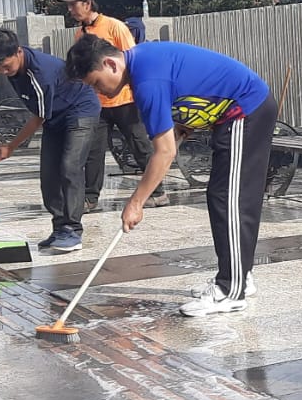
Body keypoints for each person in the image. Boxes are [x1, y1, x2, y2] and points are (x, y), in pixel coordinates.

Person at [65, 37, 276, 317]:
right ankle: (238, 276)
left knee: (230, 199)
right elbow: (180, 108)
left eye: (95, 83)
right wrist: (183, 126)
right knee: (222, 197)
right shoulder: (142, 65)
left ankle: (231, 290)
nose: (98, 92)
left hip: (245, 111)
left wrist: (136, 202)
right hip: (235, 114)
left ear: (110, 64)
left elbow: (163, 153)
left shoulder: (146, 81)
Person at [0, 27, 101, 252]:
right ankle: (59, 228)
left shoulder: (40, 74)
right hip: (55, 115)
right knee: (48, 175)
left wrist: (10, 147)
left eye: (7, 66)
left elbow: (39, 118)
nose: (3, 72)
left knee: (69, 167)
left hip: (79, 110)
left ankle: (72, 230)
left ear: (18, 52)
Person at [58, 0, 155, 213]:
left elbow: (133, 58)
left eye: (73, 5)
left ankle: (156, 191)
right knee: (94, 151)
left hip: (124, 99)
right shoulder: (80, 33)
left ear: (87, 3)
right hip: (96, 103)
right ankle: (90, 198)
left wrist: (137, 93)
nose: (70, 10)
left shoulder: (114, 27)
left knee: (140, 144)